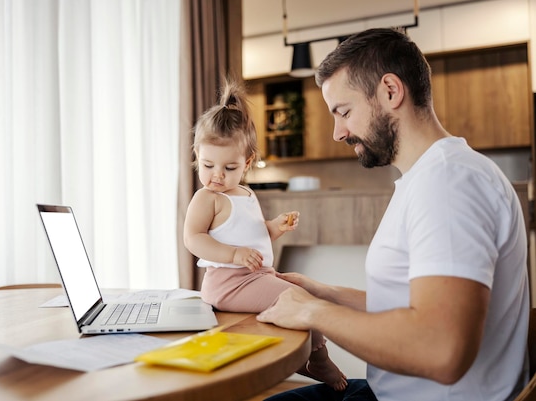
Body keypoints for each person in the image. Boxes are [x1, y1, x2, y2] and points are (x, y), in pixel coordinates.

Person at [256, 27, 530, 401]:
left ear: (390, 90)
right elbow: (410, 305)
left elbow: (441, 349)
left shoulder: (448, 184)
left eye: (344, 112)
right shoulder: (429, 177)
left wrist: (312, 312)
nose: (338, 132)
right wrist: (324, 292)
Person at [184, 79, 348, 391]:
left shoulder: (245, 193)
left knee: (301, 291)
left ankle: (306, 355)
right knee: (299, 299)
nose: (217, 175)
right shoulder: (207, 198)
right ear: (197, 155)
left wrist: (274, 227)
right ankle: (318, 357)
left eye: (229, 168)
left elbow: (251, 236)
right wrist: (233, 255)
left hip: (255, 275)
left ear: (246, 164)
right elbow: (193, 238)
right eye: (208, 165)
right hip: (227, 283)